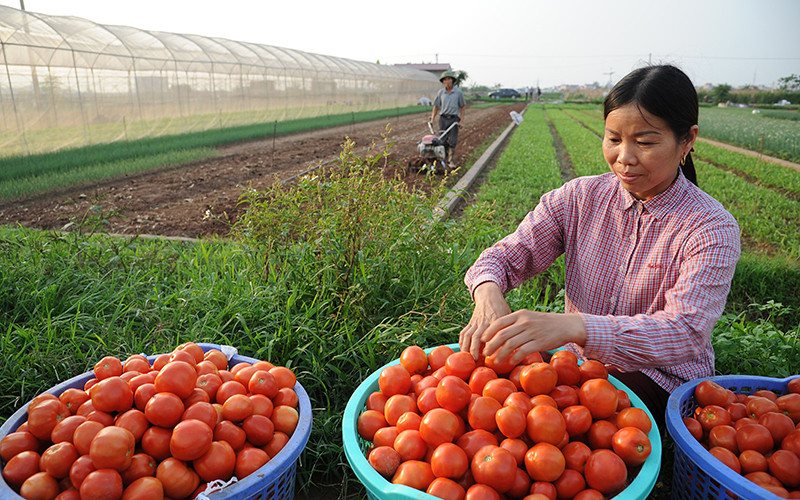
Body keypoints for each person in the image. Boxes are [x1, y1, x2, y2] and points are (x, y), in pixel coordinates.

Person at [458, 64, 741, 429]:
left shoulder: (710, 227)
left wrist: (576, 327)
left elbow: (684, 331)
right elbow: (504, 256)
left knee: (558, 422)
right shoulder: (579, 198)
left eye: (645, 141)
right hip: (575, 364)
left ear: (687, 140)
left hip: (657, 377)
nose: (625, 156)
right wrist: (487, 294)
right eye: (613, 139)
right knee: (503, 397)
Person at [430, 70, 466, 169]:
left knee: (453, 141)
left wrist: (461, 121)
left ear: (452, 80)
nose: (447, 81)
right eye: (445, 79)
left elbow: (462, 107)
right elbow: (436, 107)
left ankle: (451, 161)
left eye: (449, 79)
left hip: (454, 119)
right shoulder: (441, 93)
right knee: (442, 140)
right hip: (443, 119)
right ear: (443, 82)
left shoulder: (458, 92)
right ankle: (443, 159)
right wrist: (432, 119)